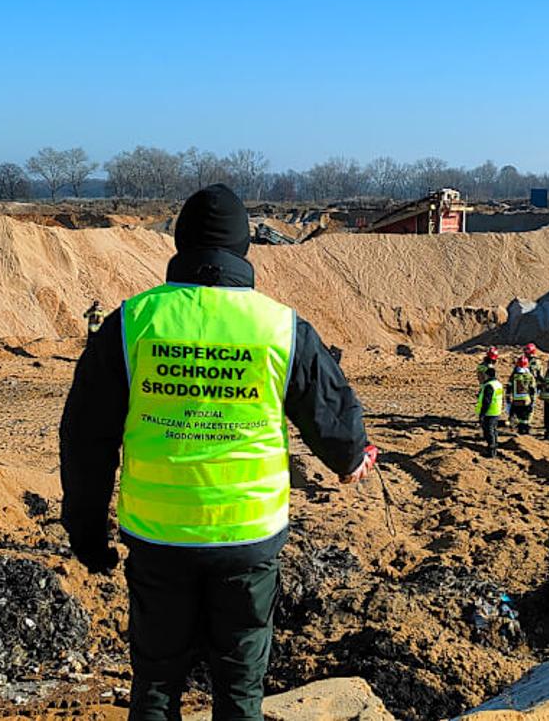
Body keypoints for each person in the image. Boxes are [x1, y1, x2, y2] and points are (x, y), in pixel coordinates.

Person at [60, 185, 377, 721]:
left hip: (159, 536)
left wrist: (87, 534)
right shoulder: (279, 326)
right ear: (244, 248)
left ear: (180, 244)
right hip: (248, 536)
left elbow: (86, 436)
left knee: (156, 686)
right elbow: (328, 406)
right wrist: (350, 458)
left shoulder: (132, 323)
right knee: (239, 689)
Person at [477, 364, 505, 454]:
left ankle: (491, 451)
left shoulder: (489, 385)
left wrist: (482, 414)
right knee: (493, 430)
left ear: (487, 375)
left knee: (489, 431)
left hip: (489, 412)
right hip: (497, 410)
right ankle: (494, 446)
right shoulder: (498, 384)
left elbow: (487, 401)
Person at [509, 357, 536, 436]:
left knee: (519, 418)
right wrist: (532, 401)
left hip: (516, 401)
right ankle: (525, 433)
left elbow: (509, 387)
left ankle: (520, 432)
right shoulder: (529, 376)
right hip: (526, 400)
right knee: (525, 419)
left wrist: (508, 400)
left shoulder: (514, 376)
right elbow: (532, 389)